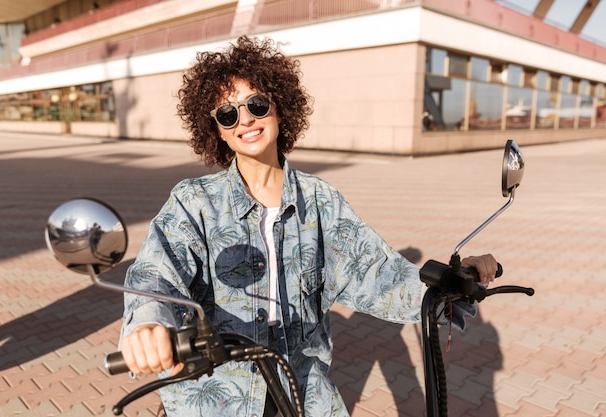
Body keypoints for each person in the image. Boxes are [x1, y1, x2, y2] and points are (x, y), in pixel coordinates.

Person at [119, 35, 499, 417]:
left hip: (302, 391)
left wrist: (451, 280)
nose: (245, 119)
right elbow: (155, 275)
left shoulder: (320, 202)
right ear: (217, 130)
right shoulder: (193, 202)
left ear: (279, 109)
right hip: (216, 394)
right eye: (228, 113)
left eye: (256, 104)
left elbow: (376, 272)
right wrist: (147, 326)